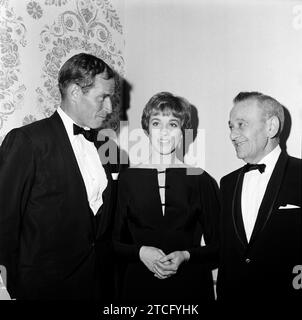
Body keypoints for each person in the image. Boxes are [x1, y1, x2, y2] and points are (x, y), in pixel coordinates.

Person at [0, 53, 119, 300]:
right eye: (103, 97)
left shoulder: (107, 147)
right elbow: (4, 222)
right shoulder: (27, 141)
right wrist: (13, 289)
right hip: (43, 290)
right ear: (75, 92)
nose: (109, 108)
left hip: (98, 287)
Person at [113, 91, 220, 303]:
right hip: (138, 289)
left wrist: (186, 255)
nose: (164, 132)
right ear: (146, 129)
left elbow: (220, 246)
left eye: (172, 124)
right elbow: (110, 243)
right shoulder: (125, 180)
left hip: (191, 289)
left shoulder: (201, 180)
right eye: (156, 123)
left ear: (183, 131)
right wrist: (140, 252)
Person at [217, 92, 301, 306]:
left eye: (241, 124)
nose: (232, 135)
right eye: (230, 126)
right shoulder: (227, 184)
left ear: (271, 127)